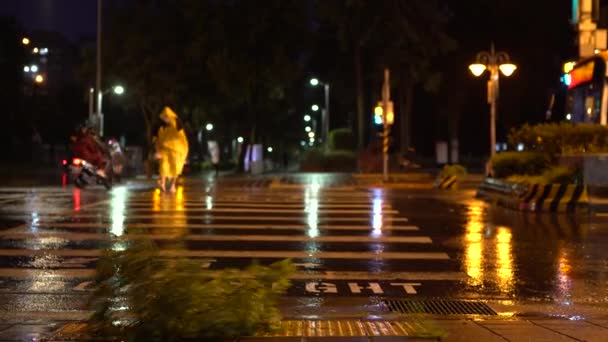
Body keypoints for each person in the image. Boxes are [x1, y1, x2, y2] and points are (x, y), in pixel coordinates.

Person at [154, 106, 189, 193]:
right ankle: (162, 183)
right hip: (164, 150)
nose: (165, 119)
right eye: (164, 117)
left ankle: (173, 185)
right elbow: (157, 139)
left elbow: (183, 140)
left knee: (176, 168)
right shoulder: (161, 127)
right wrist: (157, 150)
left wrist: (184, 155)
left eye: (167, 116)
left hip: (177, 151)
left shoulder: (178, 126)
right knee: (163, 167)